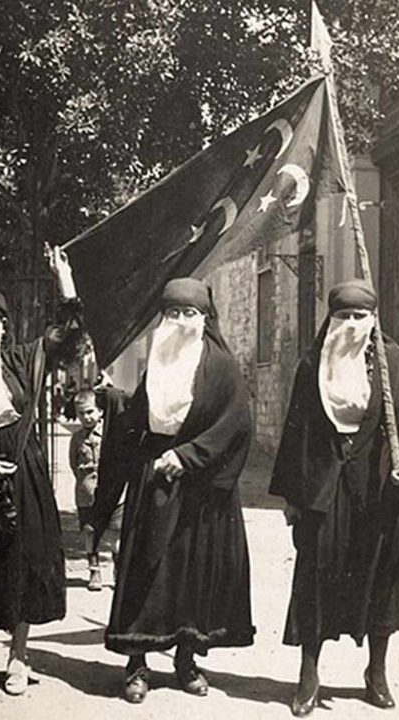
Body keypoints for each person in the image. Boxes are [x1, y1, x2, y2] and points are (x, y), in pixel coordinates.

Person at [94, 277, 254, 704]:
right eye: (173, 313)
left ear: (204, 318)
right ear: (162, 318)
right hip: (153, 479)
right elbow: (140, 416)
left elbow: (236, 422)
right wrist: (115, 402)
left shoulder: (220, 364)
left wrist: (187, 456)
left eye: (190, 313)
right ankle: (137, 662)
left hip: (200, 484)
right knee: (146, 567)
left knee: (191, 572)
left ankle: (185, 659)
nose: (181, 321)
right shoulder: (159, 359)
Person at [0, 246, 84, 696]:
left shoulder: (21, 361)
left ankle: (18, 657)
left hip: (22, 479)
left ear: (4, 326)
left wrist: (65, 283)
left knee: (21, 566)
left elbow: (68, 337)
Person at [269, 279, 399, 717]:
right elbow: (296, 432)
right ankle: (309, 674)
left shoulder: (397, 362)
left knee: (379, 578)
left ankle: (376, 672)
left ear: (373, 319)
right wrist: (292, 496)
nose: (350, 324)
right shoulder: (313, 363)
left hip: (379, 487)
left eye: (359, 316)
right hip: (323, 489)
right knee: (315, 578)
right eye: (342, 315)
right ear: (331, 318)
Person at [69, 387, 126, 591]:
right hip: (87, 495)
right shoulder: (76, 438)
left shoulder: (111, 434)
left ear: (100, 411)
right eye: (81, 413)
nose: (86, 417)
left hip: (113, 493)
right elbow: (73, 463)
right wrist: (85, 483)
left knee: (117, 534)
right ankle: (94, 570)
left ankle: (118, 569)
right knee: (90, 532)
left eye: (90, 411)